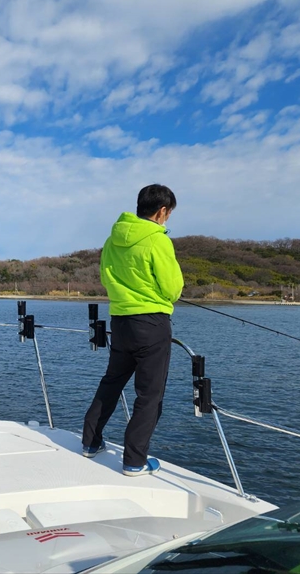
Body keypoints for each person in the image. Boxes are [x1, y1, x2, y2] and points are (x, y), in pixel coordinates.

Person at [82, 184, 184, 476]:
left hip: (121, 321)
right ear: (162, 211)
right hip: (151, 323)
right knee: (149, 395)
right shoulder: (158, 240)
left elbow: (105, 275)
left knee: (111, 383)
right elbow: (172, 288)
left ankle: (90, 443)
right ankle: (134, 461)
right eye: (168, 214)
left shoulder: (112, 240)